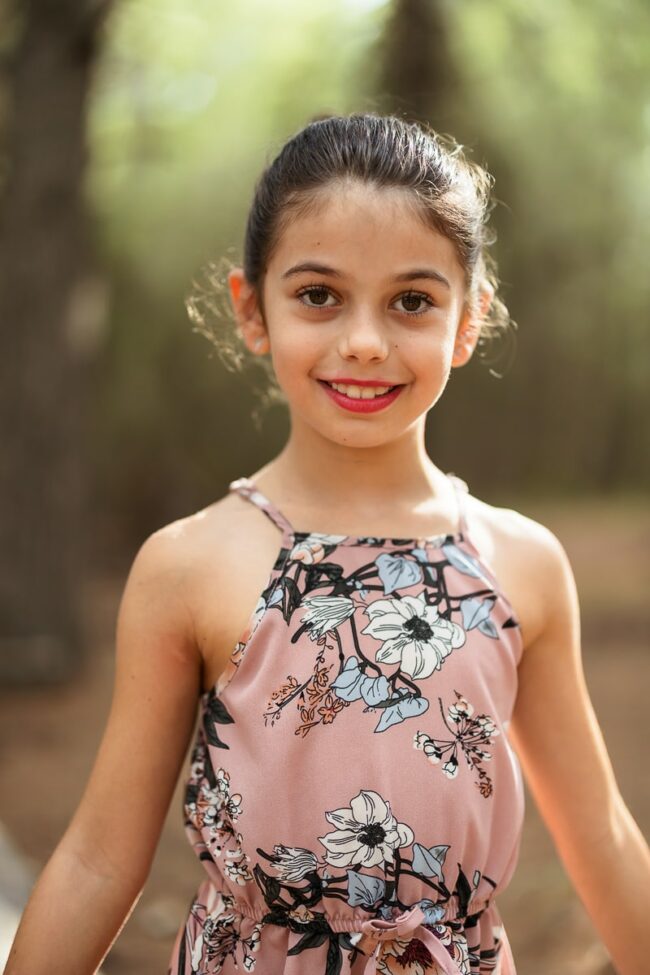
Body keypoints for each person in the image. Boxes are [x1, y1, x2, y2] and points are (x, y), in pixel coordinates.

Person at [5, 112, 649, 975]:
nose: (364, 342)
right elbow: (97, 857)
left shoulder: (519, 564)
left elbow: (602, 835)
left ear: (469, 321)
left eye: (412, 301)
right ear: (252, 309)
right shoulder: (190, 565)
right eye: (319, 295)